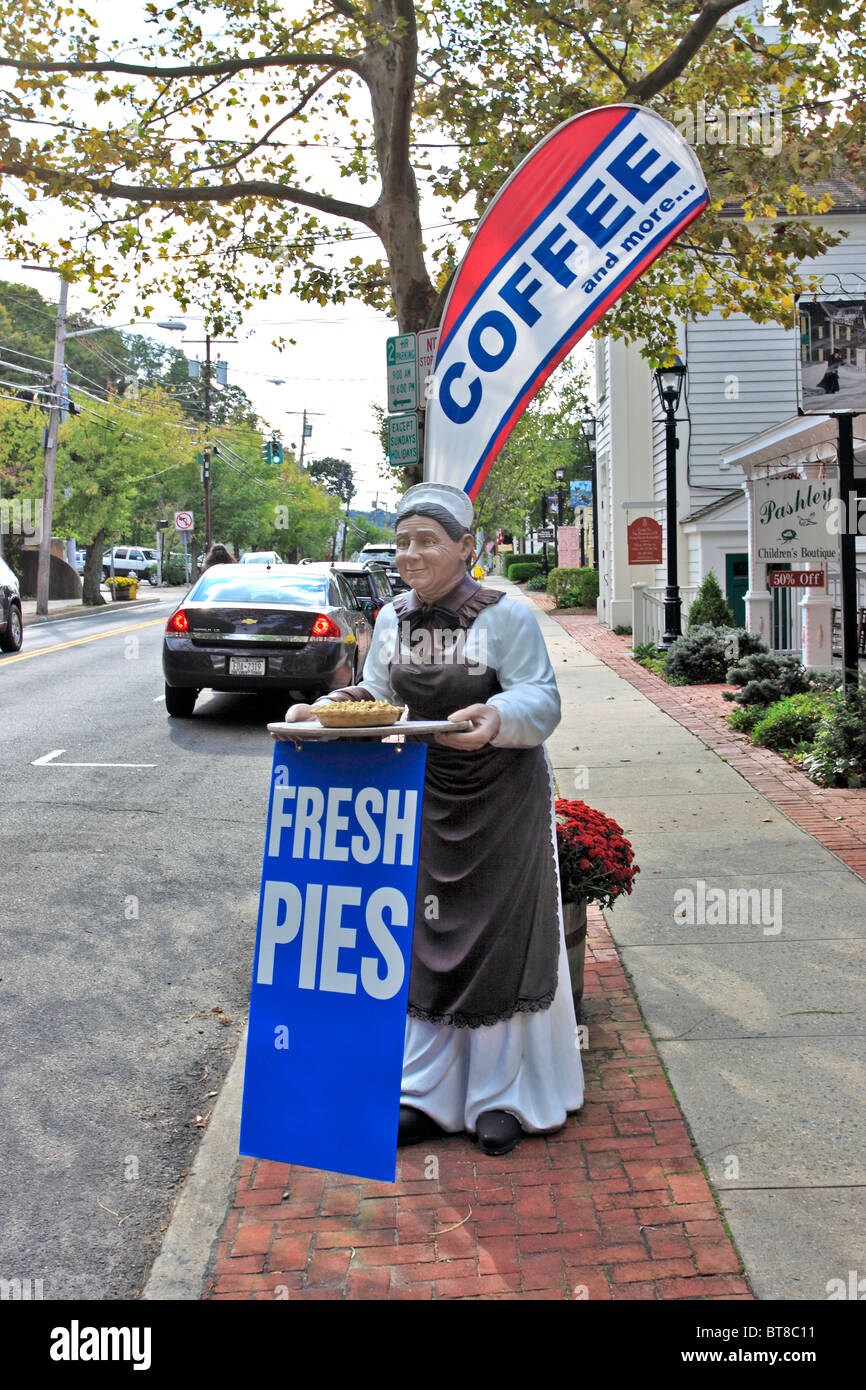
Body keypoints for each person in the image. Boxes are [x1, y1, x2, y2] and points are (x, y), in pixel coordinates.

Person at [285, 482, 583, 1156]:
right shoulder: (391, 616)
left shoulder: (505, 616)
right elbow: (381, 695)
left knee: (499, 942)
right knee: (427, 942)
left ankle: (503, 1096)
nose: (411, 553)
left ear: (465, 547)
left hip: (500, 799)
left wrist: (499, 717)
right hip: (421, 793)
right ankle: (425, 1092)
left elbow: (541, 696)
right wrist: (325, 709)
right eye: (402, 540)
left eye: (427, 540)